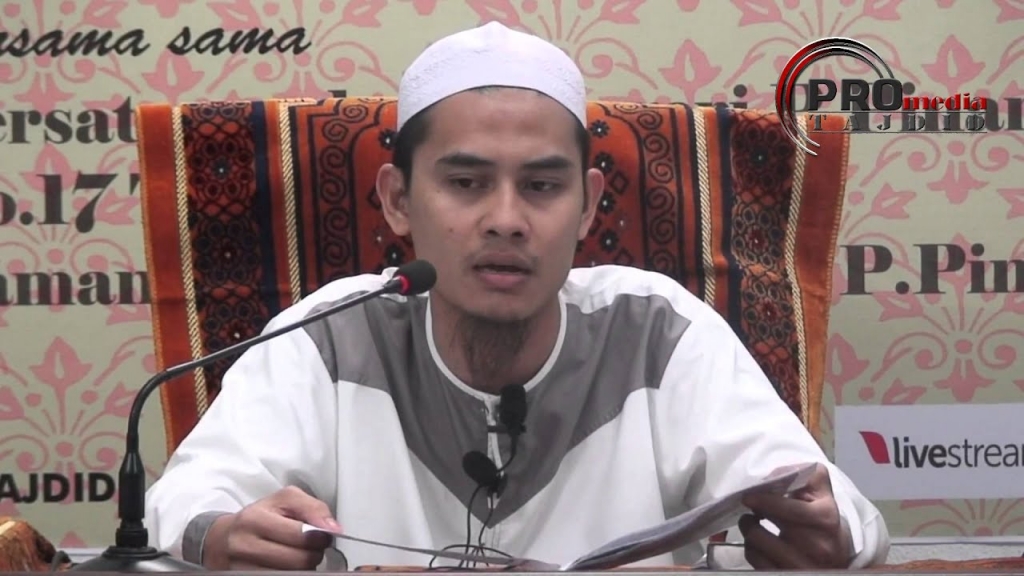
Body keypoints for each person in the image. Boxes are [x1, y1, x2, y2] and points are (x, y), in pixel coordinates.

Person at [144, 21, 890, 572]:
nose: (506, 219)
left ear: (588, 205)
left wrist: (832, 536)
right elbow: (185, 502)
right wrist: (225, 535)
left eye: (541, 186)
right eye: (466, 183)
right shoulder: (330, 335)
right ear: (398, 200)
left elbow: (842, 515)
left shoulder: (659, 331)